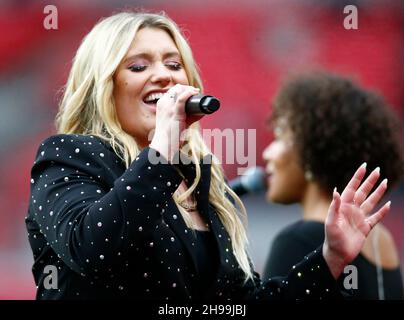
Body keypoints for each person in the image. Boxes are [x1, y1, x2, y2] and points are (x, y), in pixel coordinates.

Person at [26, 11, 391, 300]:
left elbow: (237, 306)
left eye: (173, 64)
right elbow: (94, 251)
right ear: (102, 85)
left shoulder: (201, 182)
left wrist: (328, 259)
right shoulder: (69, 155)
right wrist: (163, 150)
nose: (164, 76)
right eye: (139, 66)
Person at [262, 72, 404, 299]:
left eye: (279, 136)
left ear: (309, 151)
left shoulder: (298, 240)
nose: (267, 153)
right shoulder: (381, 240)